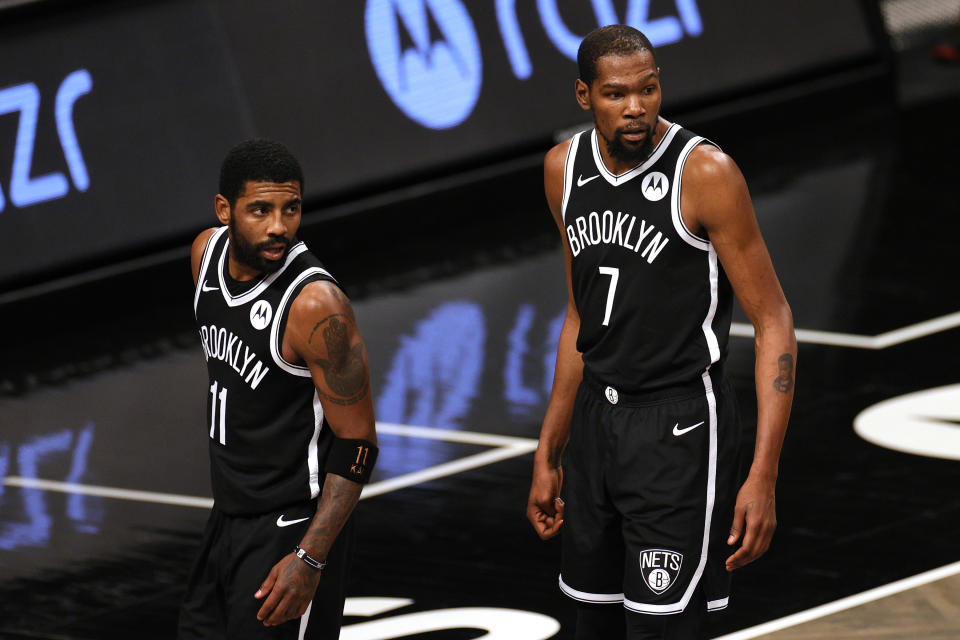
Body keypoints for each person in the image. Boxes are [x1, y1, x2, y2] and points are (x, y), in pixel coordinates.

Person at [526, 25, 796, 640]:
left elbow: (774, 319)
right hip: (597, 419)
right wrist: (549, 452)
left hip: (679, 426)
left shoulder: (705, 174)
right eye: (617, 94)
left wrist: (763, 475)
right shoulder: (561, 170)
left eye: (648, 90)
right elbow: (578, 314)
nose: (637, 107)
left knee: (662, 630)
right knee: (590, 625)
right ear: (583, 96)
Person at [179, 139, 378, 639]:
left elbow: (358, 446)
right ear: (224, 210)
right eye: (260, 210)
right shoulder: (205, 255)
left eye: (291, 209)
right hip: (226, 516)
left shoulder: (315, 305)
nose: (278, 227)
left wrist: (310, 557)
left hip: (290, 526)